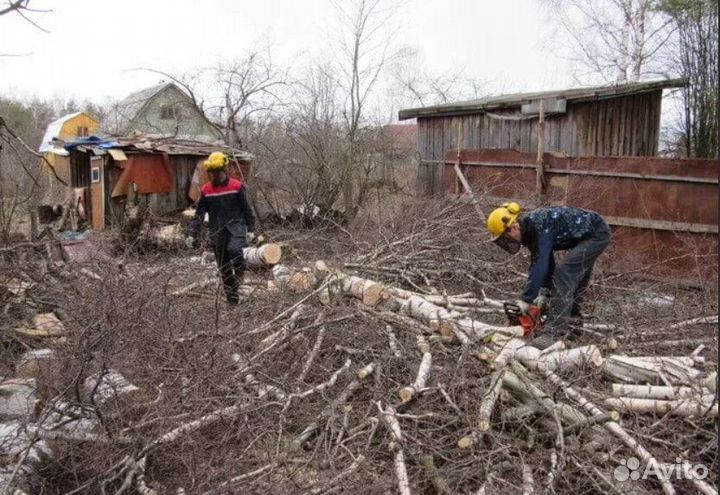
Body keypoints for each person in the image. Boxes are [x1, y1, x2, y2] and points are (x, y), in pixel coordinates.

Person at [487, 202, 611, 349]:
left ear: (514, 228)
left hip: (596, 234)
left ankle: (554, 333)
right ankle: (573, 328)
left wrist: (526, 299)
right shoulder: (530, 231)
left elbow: (540, 265)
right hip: (588, 236)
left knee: (564, 274)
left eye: (505, 238)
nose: (508, 242)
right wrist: (545, 291)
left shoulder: (538, 227)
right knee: (572, 280)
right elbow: (545, 262)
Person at [185, 152, 256, 305]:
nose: (214, 176)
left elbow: (247, 210)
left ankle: (240, 271)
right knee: (224, 269)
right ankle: (233, 302)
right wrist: (192, 233)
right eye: (212, 172)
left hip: (235, 228)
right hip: (217, 231)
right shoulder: (206, 190)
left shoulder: (236, 187)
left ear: (224, 170)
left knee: (235, 250)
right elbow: (199, 214)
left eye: (217, 172)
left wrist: (250, 229)